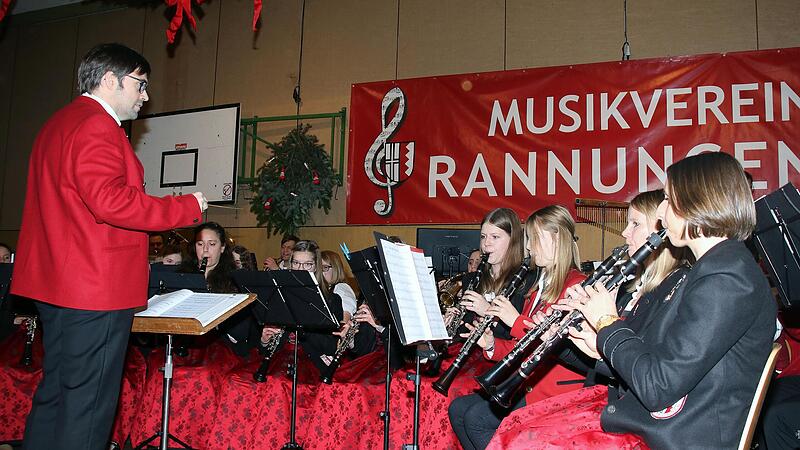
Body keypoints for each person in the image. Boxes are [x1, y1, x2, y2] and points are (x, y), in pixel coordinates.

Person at [10, 43, 206, 450]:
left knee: (58, 394)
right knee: (89, 404)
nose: (145, 96)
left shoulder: (58, 123)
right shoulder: (98, 125)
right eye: (141, 84)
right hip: (94, 289)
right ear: (110, 80)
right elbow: (110, 201)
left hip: (59, 284)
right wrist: (185, 206)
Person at [534, 152, 775, 449]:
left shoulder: (727, 278)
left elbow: (658, 387)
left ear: (696, 202)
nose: (661, 212)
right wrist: (599, 349)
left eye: (667, 199)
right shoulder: (714, 268)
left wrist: (607, 322)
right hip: (669, 424)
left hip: (683, 437)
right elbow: (663, 364)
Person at [484, 189, 690, 449]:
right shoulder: (636, 290)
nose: (625, 233)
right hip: (611, 397)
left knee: (514, 436)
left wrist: (605, 323)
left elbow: (648, 371)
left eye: (635, 224)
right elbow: (603, 361)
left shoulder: (674, 288)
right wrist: (566, 338)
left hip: (631, 412)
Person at [448, 205, 586, 450]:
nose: (529, 247)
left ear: (556, 239)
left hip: (554, 390)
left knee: (477, 419)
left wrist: (514, 321)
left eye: (534, 239)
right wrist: (491, 344)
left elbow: (551, 344)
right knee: (458, 409)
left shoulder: (575, 286)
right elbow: (518, 347)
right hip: (527, 380)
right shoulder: (538, 287)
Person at [259, 240, 343, 374]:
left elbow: (330, 347)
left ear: (316, 267)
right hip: (279, 361)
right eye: (296, 263)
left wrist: (303, 322)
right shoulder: (279, 296)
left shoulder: (332, 300)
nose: (300, 269)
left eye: (308, 264)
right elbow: (265, 350)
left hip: (312, 363)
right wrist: (264, 341)